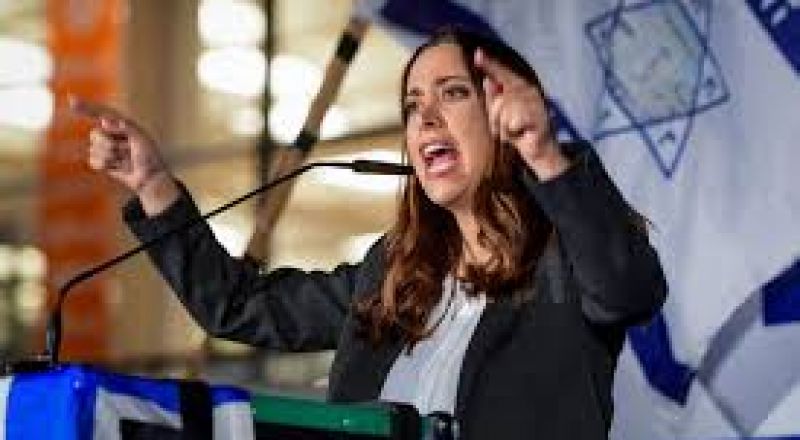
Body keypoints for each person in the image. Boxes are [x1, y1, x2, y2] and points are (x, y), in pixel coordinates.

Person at [77, 27, 667, 440]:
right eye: (412, 104)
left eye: (453, 93)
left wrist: (544, 155)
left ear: (505, 112)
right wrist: (152, 184)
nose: (426, 117)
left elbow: (628, 290)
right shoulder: (392, 272)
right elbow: (238, 306)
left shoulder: (568, 256)